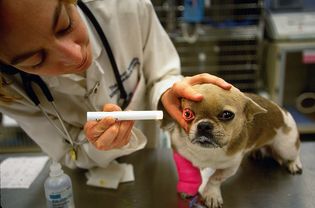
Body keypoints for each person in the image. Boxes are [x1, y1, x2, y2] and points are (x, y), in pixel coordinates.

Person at [0, 0, 231, 169]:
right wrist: (97, 147)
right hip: (87, 184)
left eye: (65, 25)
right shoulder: (7, 88)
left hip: (150, 164)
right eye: (36, 60)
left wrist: (168, 91)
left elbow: (162, 73)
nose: (75, 56)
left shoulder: (124, 7)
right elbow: (69, 154)